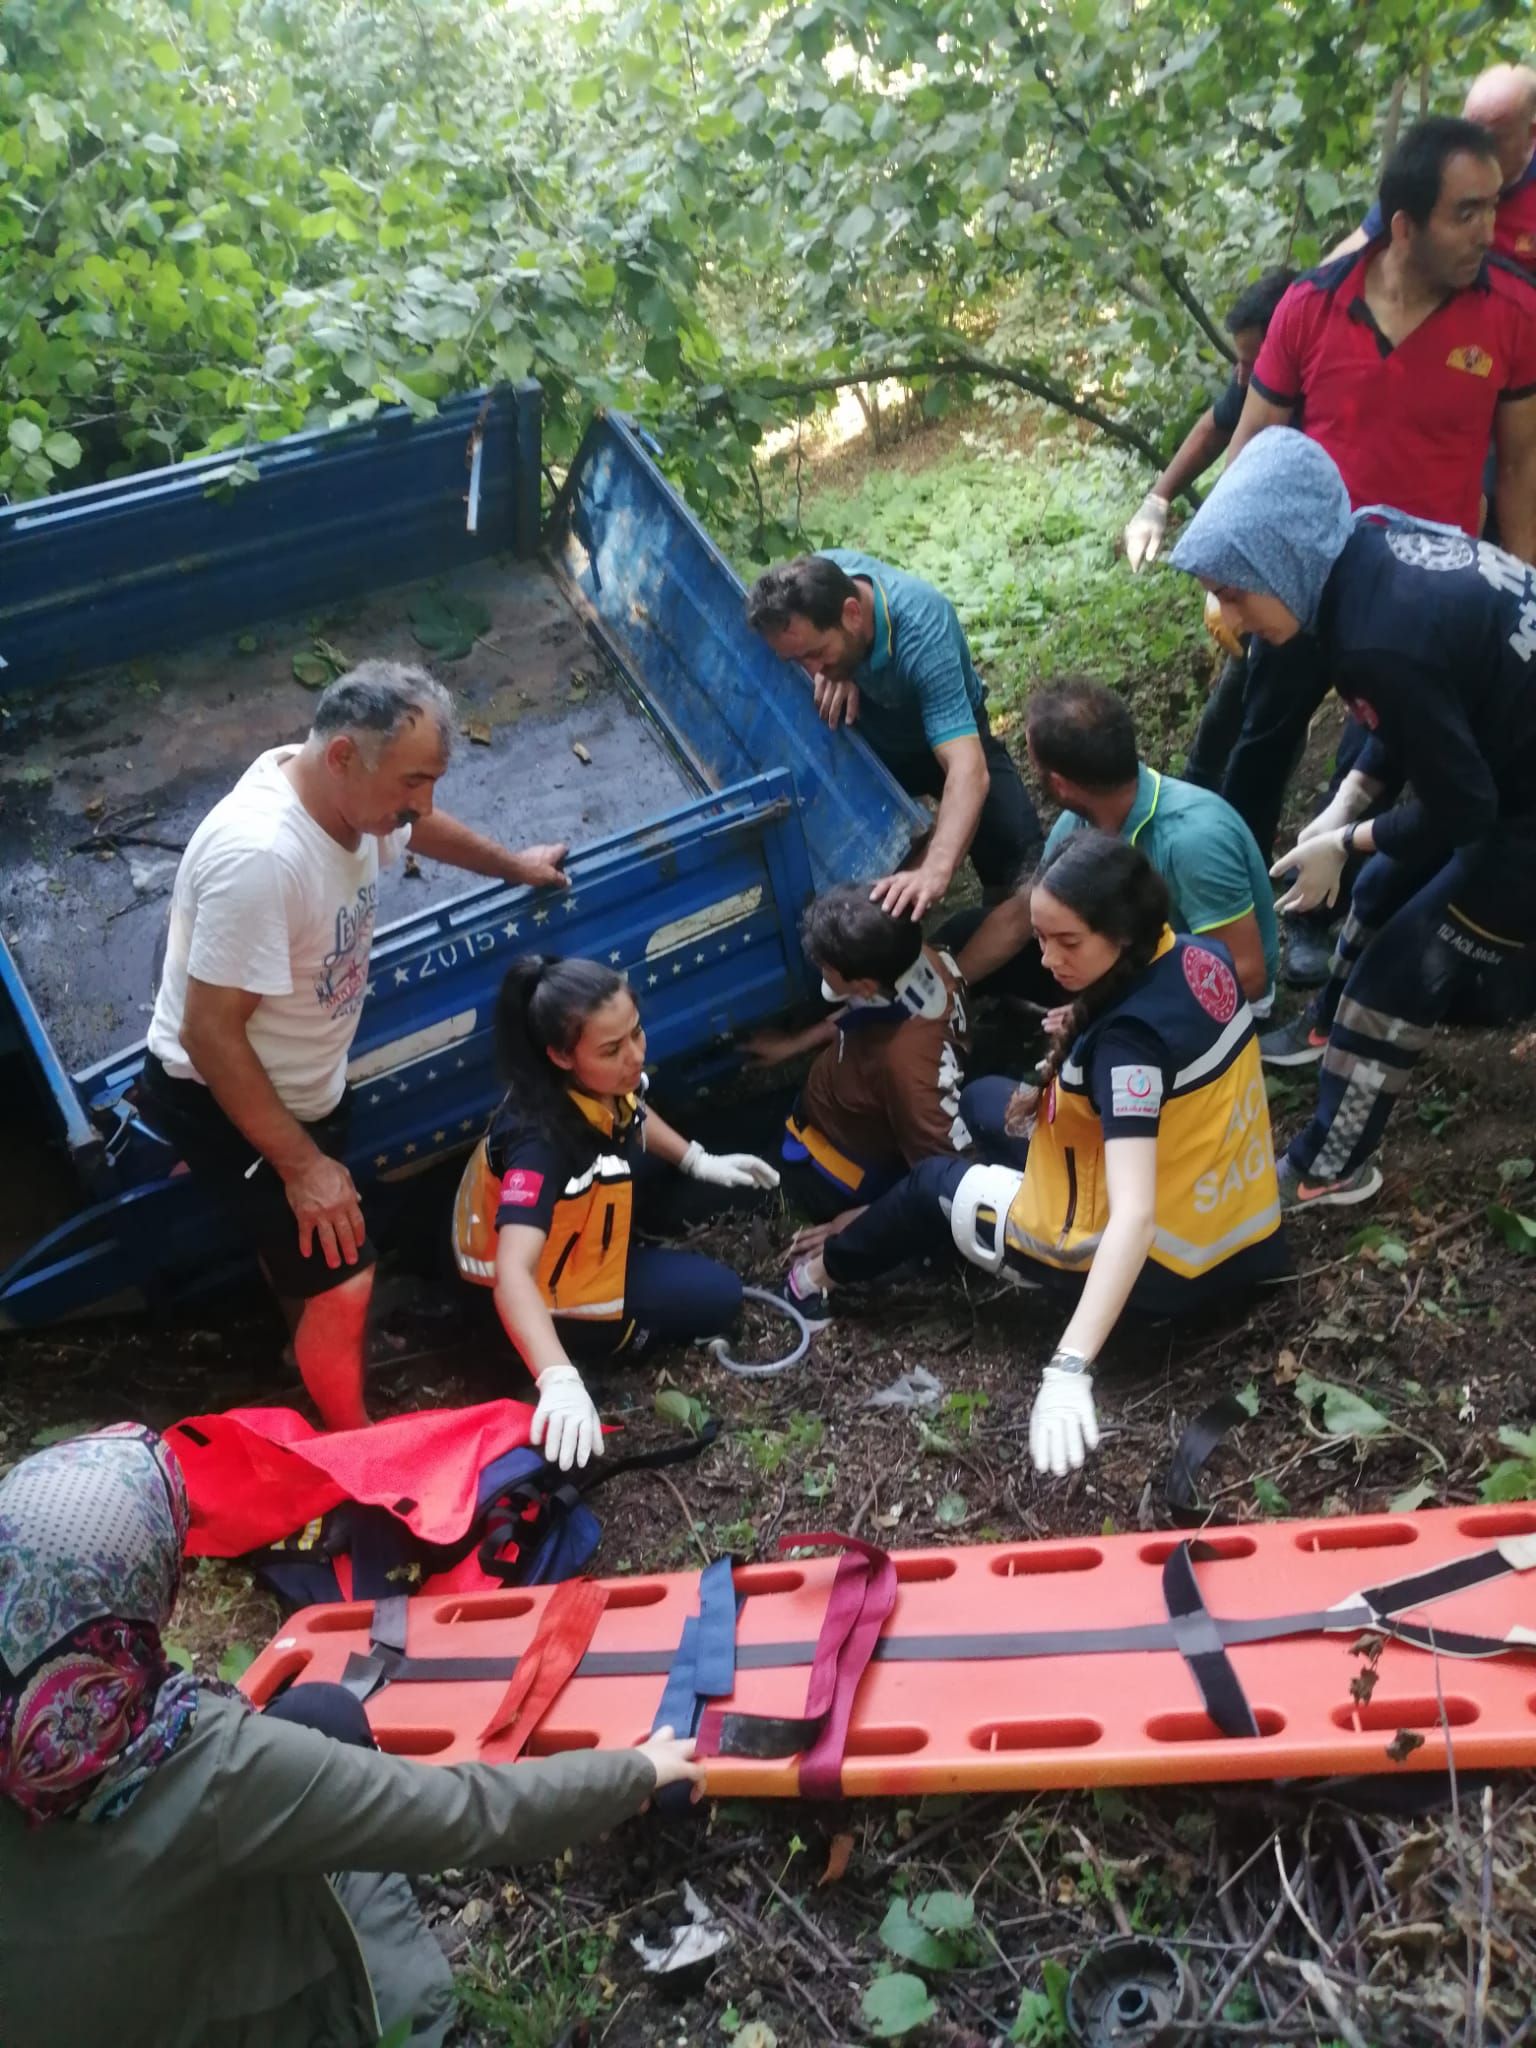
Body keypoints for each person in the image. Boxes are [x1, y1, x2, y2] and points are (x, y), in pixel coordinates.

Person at [0, 1424, 705, 2048]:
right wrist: (634, 1772)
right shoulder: (208, 1768)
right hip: (186, 2021)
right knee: (373, 1923)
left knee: (320, 1716)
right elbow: (462, 1813)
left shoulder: (38, 1732)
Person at [140, 663, 570, 1435]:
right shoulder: (262, 858)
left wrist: (514, 866)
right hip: (226, 1096)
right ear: (342, 754)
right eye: (413, 781)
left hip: (304, 1082)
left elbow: (416, 828)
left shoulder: (337, 790)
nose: (422, 803)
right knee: (345, 1279)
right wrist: (302, 1167)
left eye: (430, 781)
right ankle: (354, 1441)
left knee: (306, 1252)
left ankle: (303, 1348)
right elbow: (209, 1034)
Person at [783, 833, 1288, 1473]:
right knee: (983, 1099)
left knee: (933, 1183)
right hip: (1236, 1216)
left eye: (1067, 942)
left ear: (1121, 932)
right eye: (1041, 937)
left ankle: (815, 1276)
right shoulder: (1197, 956)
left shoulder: (1126, 1050)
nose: (1047, 959)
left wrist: (1069, 1366)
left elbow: (1134, 1216)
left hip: (1162, 1266)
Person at [1168, 427, 1536, 1208]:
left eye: (1234, 592)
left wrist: (1345, 837)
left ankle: (1330, 1164)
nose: (1230, 618)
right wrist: (1345, 804)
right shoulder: (1364, 545)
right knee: (1373, 891)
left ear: (1282, 560)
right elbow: (1415, 711)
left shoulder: (1377, 638)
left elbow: (1464, 814)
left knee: (1393, 980)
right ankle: (1325, 1031)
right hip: (1503, 765)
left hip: (1516, 813)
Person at [453, 956, 779, 1468]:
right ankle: (579, 1343)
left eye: (636, 1033)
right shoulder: (539, 1144)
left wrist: (698, 1161)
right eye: (611, 1049)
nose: (635, 1056)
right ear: (561, 1056)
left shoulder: (591, 1084)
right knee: (720, 1297)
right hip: (545, 1294)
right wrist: (558, 1378)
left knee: (721, 1181)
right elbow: (513, 1273)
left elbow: (631, 1110)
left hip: (573, 1232)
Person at [945, 678, 1279, 1013]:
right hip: (1124, 962)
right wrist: (950, 984)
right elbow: (1019, 918)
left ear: (1059, 784)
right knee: (963, 936)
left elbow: (1246, 976)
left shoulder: (1193, 841)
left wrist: (1095, 1012)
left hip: (1204, 999)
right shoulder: (1079, 822)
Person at [745, 552, 1041, 919]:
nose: (812, 671)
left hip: (945, 734)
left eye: (817, 653)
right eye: (798, 660)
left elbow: (967, 768)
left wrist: (936, 868)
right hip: (871, 738)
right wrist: (838, 668)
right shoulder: (812, 585)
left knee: (1020, 858)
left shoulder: (922, 627)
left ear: (853, 614)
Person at [745, 884, 972, 1224]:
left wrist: (861, 1220)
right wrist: (796, 1043)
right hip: (822, 1111)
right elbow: (865, 1013)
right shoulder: (912, 959)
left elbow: (948, 1181)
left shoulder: (909, 1072)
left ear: (864, 986)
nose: (818, 966)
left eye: (824, 964)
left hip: (829, 1173)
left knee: (684, 1196)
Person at [1121, 268, 1296, 572]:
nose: (1241, 377)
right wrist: (1157, 500)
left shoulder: (1326, 391)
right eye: (1239, 363)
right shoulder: (1248, 380)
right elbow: (1215, 428)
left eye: (1252, 365)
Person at [1331, 65, 1536, 277]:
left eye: (1495, 138)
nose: (1479, 147)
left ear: (1531, 133)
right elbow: (1359, 244)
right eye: (1469, 132)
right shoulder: (1440, 167)